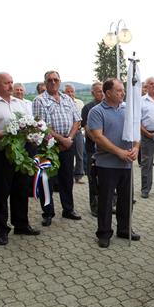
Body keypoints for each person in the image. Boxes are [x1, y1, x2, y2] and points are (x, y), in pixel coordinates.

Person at [0, 72, 40, 245]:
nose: (10, 86)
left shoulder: (22, 104)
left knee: (21, 189)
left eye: (11, 82)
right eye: (6, 83)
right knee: (1, 192)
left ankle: (21, 224)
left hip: (21, 152)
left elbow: (30, 125)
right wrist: (5, 133)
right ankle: (2, 230)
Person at [87, 78, 141, 248]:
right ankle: (104, 233)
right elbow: (98, 137)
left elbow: (136, 131)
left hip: (127, 163)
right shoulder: (96, 111)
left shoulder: (128, 109)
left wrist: (136, 148)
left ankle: (124, 229)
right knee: (106, 200)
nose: (123, 93)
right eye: (118, 90)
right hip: (106, 164)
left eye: (123, 90)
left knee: (126, 199)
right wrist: (119, 152)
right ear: (108, 92)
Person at [32, 70, 82, 226]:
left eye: (55, 79)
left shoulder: (67, 98)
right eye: (49, 80)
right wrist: (61, 139)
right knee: (46, 180)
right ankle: (48, 213)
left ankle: (68, 209)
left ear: (60, 81)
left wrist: (69, 139)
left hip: (68, 145)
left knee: (67, 179)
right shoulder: (39, 100)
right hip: (47, 147)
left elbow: (77, 121)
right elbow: (42, 126)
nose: (53, 82)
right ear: (45, 82)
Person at [82, 82, 104, 217]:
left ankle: (108, 204)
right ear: (92, 93)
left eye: (102, 91)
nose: (101, 94)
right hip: (93, 149)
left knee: (106, 179)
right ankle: (94, 206)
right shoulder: (88, 108)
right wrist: (98, 140)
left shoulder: (108, 106)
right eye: (98, 92)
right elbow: (87, 129)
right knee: (93, 178)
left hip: (106, 150)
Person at [64, 84, 86, 184]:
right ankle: (68, 175)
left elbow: (82, 117)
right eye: (68, 91)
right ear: (64, 93)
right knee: (68, 155)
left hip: (78, 132)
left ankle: (79, 175)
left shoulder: (80, 103)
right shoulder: (62, 102)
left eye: (72, 91)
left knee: (80, 155)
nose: (70, 93)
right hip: (66, 133)